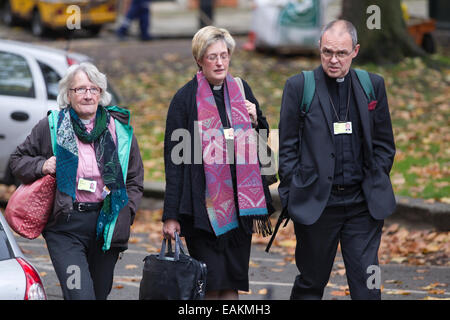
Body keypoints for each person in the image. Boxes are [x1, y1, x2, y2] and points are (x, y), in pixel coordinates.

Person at [278, 20, 396, 300]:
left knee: (368, 284)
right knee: (311, 282)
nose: (333, 60)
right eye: (327, 52)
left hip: (362, 205)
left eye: (341, 53)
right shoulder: (298, 87)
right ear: (319, 48)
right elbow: (286, 149)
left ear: (355, 51)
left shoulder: (373, 85)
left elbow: (384, 144)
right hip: (318, 204)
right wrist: (294, 192)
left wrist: (376, 177)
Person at [9, 62, 144, 300]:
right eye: (80, 89)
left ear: (101, 93)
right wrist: (42, 165)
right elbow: (18, 160)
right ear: (68, 95)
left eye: (94, 89)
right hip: (66, 226)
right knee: (80, 294)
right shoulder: (52, 126)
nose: (88, 95)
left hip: (107, 225)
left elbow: (133, 178)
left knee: (99, 294)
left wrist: (126, 211)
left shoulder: (118, 130)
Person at [162, 26, 274, 300]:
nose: (220, 62)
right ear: (199, 60)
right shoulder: (184, 99)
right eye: (212, 57)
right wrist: (171, 216)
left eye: (224, 55)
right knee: (210, 284)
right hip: (203, 211)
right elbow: (174, 162)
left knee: (232, 283)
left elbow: (261, 139)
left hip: (240, 206)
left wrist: (256, 120)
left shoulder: (240, 88)